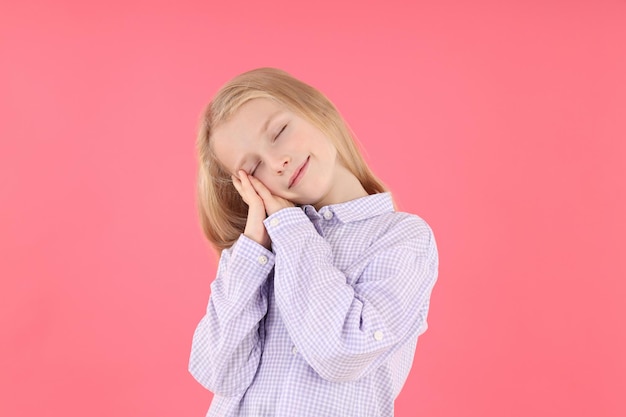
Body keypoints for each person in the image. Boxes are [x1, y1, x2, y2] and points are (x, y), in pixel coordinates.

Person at [188, 67, 439, 417]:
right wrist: (254, 246)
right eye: (254, 166)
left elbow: (341, 352)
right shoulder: (256, 255)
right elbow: (219, 373)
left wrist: (291, 229)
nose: (277, 162)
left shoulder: (402, 238)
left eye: (279, 131)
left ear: (316, 109)